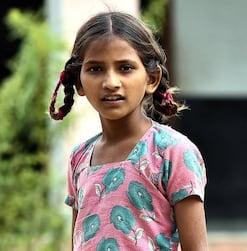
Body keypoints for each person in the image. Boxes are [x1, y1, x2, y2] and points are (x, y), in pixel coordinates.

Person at [49, 11, 208, 251]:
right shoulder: (79, 158)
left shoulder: (173, 152)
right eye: (95, 69)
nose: (111, 82)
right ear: (79, 83)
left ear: (151, 79)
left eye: (125, 68)